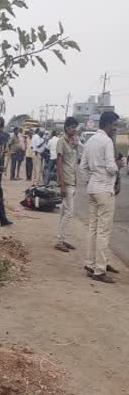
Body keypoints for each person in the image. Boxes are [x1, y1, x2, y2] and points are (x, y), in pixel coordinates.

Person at [79, 111, 124, 283]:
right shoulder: (106, 141)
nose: (115, 128)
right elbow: (112, 168)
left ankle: (91, 264)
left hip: (93, 189)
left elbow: (82, 167)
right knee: (104, 231)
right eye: (114, 125)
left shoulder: (90, 141)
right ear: (107, 124)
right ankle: (99, 270)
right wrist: (120, 164)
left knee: (93, 228)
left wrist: (92, 177)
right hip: (104, 189)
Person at [55, 119, 78, 252]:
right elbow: (59, 164)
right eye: (72, 127)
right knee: (69, 212)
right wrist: (62, 184)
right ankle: (60, 240)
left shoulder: (73, 142)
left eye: (75, 127)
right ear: (66, 128)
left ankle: (61, 239)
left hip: (73, 180)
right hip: (67, 182)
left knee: (64, 212)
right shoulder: (61, 142)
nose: (74, 130)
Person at [0, 117, 13, 226]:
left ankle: (3, 219)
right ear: (3, 124)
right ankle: (2, 219)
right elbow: (6, 152)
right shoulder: (5, 136)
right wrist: (5, 167)